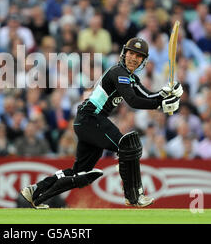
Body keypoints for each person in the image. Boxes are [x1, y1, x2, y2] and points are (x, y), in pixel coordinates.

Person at [20, 37, 183, 209]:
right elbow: (134, 101)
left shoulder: (130, 77)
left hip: (86, 121)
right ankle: (134, 195)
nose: (134, 58)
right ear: (124, 53)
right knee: (128, 146)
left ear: (143, 60)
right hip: (91, 118)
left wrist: (167, 94)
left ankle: (36, 193)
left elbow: (148, 96)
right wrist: (161, 103)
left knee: (79, 172)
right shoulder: (118, 72)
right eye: (131, 53)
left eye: (139, 56)